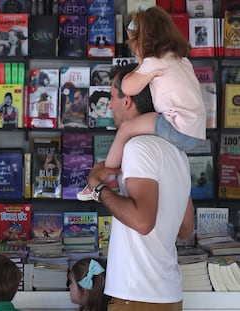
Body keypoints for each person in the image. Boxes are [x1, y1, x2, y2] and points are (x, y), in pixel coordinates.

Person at [86, 64, 195, 310]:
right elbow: (186, 227)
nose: (110, 104)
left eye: (113, 97)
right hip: (167, 294)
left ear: (128, 101)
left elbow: (143, 222)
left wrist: (97, 189)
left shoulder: (138, 148)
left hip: (137, 294)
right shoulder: (177, 153)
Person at [78, 5, 206, 200]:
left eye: (134, 46)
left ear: (146, 42)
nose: (134, 52)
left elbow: (127, 88)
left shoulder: (154, 61)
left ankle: (107, 177)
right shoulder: (181, 60)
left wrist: (140, 64)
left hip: (176, 125)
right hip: (194, 131)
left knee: (125, 130)